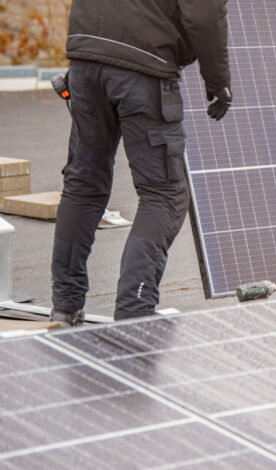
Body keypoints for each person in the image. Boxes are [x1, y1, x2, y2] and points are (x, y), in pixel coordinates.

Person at [49, 0, 233, 326]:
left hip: (86, 54)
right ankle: (135, 311)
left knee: (83, 184)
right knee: (164, 194)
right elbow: (204, 13)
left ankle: (65, 304)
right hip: (142, 65)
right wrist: (217, 81)